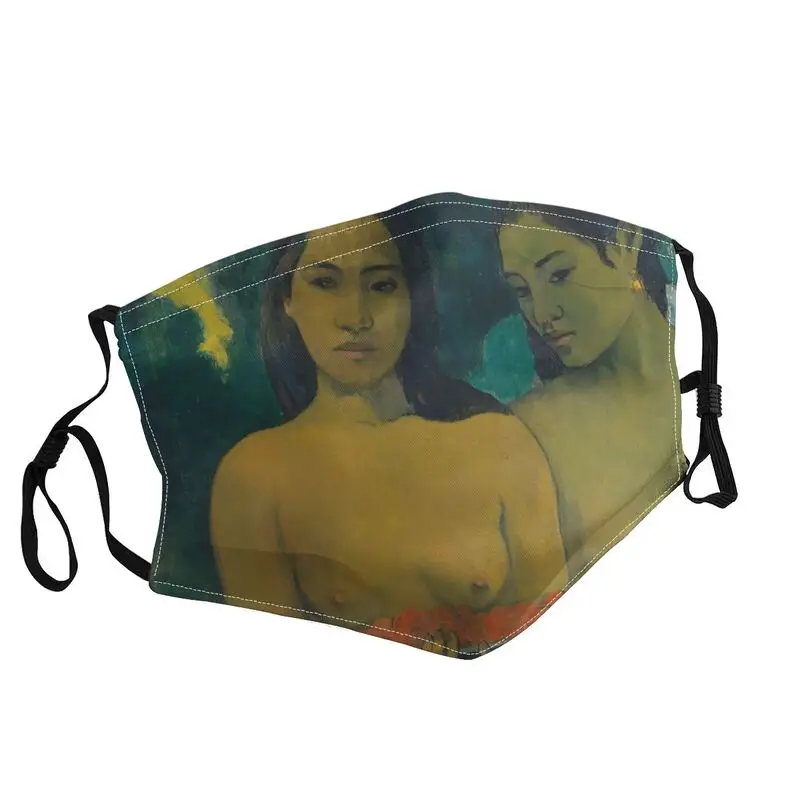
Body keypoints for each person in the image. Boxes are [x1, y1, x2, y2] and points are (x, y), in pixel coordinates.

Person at [210, 214, 567, 657]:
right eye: (325, 283)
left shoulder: (501, 444)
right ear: (287, 300)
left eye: (381, 285)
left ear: (413, 299)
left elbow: (555, 638)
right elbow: (267, 662)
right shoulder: (255, 475)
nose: (356, 318)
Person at [496, 208, 683, 576]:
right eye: (522, 290)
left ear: (625, 243)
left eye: (559, 275)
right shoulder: (531, 429)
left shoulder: (705, 383)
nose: (542, 313)